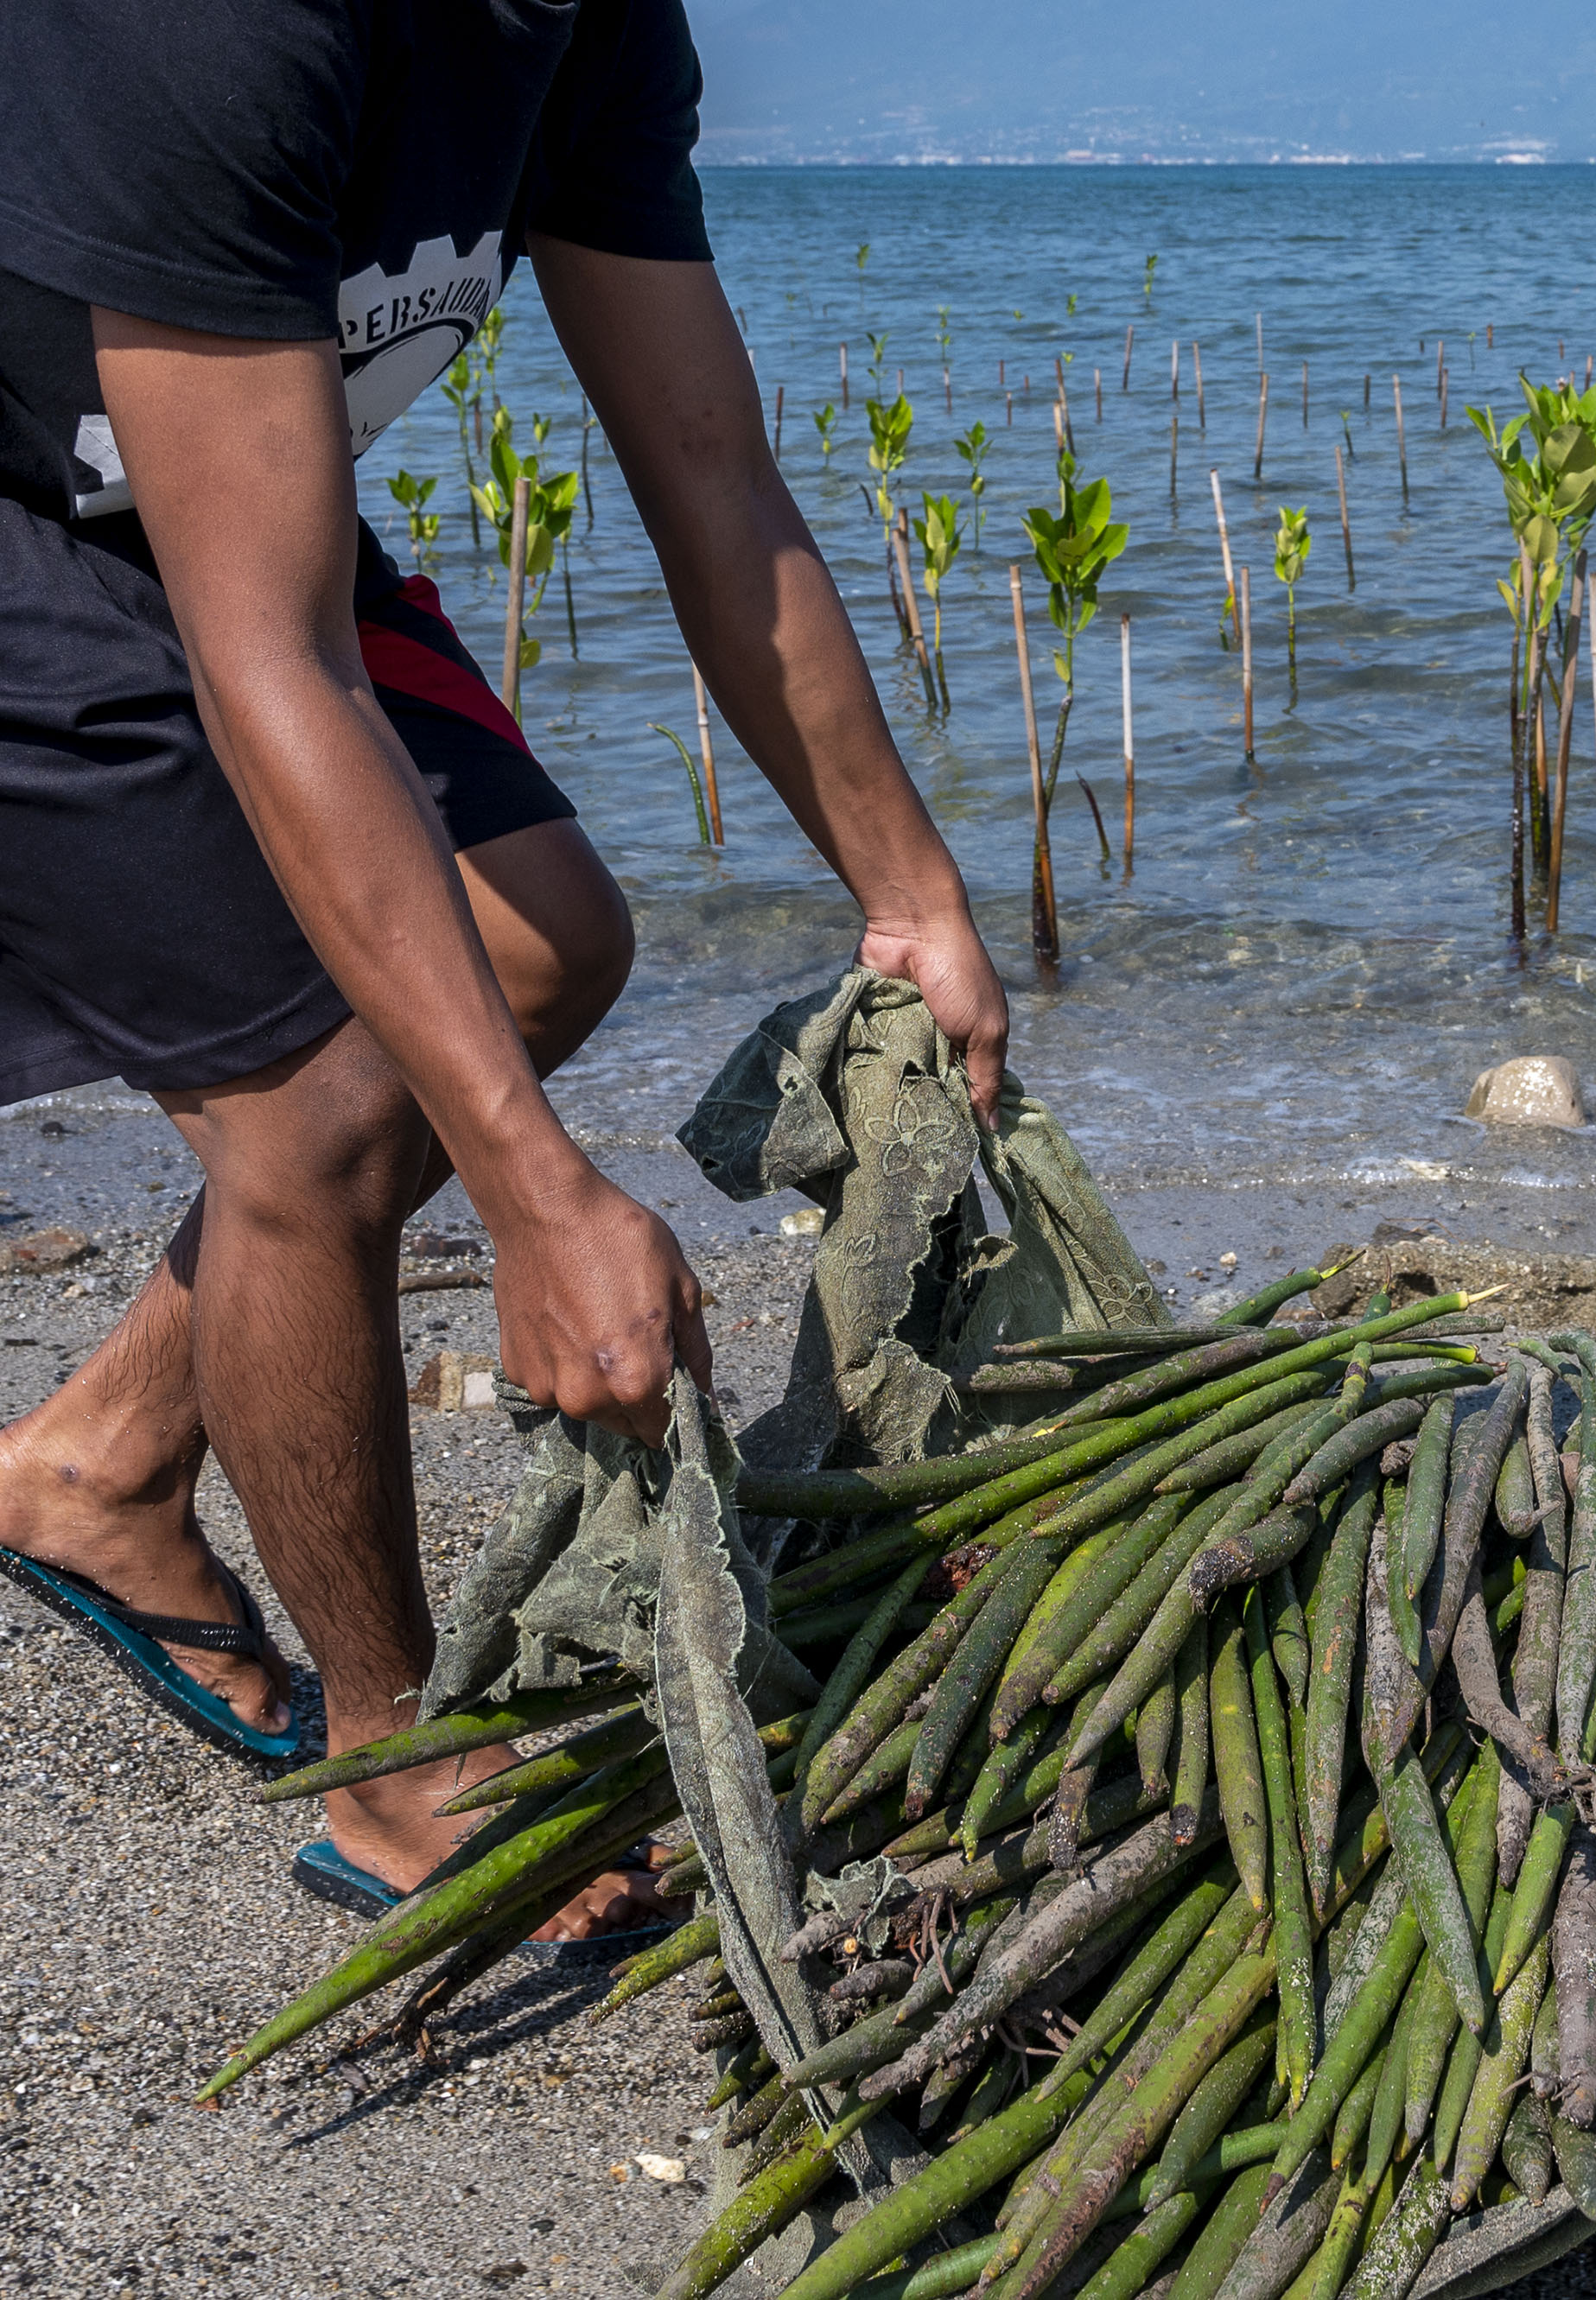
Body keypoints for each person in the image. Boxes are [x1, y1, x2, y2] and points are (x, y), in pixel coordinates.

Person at [0, 0, 1007, 1940]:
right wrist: (533, 1189)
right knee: (328, 1094)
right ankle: (395, 1772)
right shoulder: (210, 30)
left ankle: (99, 1458)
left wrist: (916, 900)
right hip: (42, 542)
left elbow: (714, 481)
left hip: (202, 493)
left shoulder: (589, 24)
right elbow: (266, 658)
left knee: (546, 931)